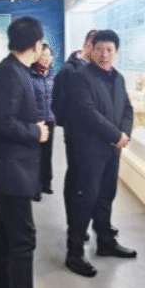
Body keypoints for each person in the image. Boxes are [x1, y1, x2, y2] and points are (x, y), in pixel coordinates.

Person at [0, 17, 66, 288]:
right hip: (10, 172)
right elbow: (1, 123)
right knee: (22, 242)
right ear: (36, 45)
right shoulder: (10, 74)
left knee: (5, 239)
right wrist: (36, 132)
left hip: (8, 171)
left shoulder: (12, 71)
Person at [64, 29, 137, 278]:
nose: (104, 54)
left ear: (116, 52)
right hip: (89, 150)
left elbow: (127, 109)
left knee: (107, 195)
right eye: (100, 49)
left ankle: (105, 241)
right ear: (91, 50)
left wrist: (125, 134)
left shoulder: (118, 78)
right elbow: (86, 112)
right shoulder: (80, 77)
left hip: (112, 149)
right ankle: (74, 252)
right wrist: (115, 135)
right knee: (86, 199)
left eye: (109, 50)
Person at [52, 29, 98, 232]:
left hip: (98, 137)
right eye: (97, 49)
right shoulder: (68, 71)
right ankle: (74, 225)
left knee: (93, 183)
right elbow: (58, 106)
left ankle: (89, 223)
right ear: (87, 44)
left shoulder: (99, 70)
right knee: (77, 180)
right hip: (77, 136)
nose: (101, 54)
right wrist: (74, 124)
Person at [29, 43, 56, 201]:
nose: (47, 59)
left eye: (49, 56)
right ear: (37, 57)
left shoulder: (53, 75)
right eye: (43, 55)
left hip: (50, 120)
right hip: (36, 121)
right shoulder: (30, 74)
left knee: (47, 154)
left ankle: (46, 183)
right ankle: (35, 187)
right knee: (36, 155)